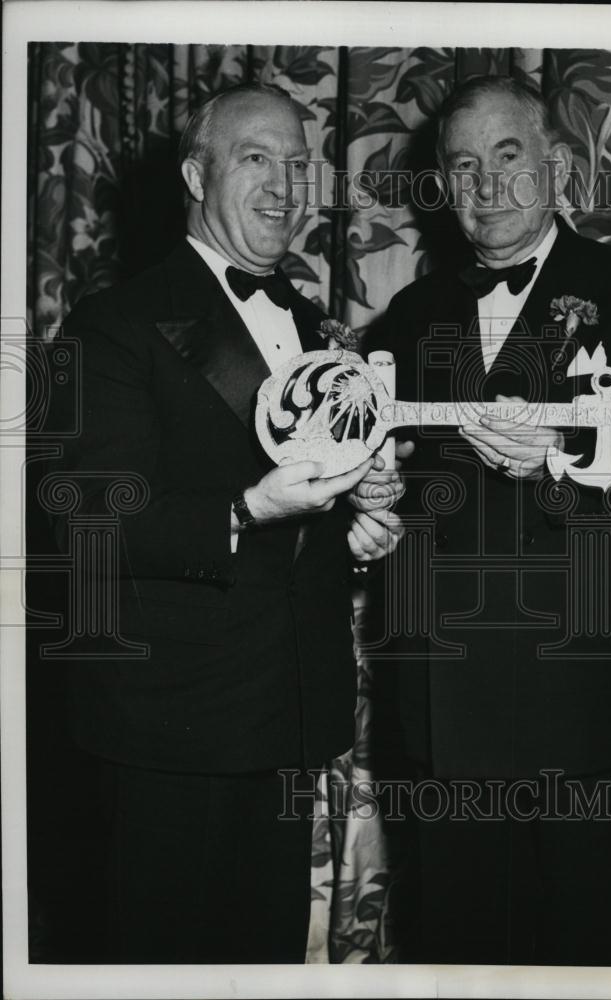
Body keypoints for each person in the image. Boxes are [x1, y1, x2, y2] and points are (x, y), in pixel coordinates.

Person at [370, 75, 611, 966]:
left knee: (597, 966)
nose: (485, 186)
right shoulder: (413, 316)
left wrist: (573, 462)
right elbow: (399, 492)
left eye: (507, 157)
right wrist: (369, 502)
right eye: (462, 166)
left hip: (595, 718)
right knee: (456, 966)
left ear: (558, 166)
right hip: (444, 722)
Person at [44, 82, 405, 964]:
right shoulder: (112, 326)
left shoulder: (322, 330)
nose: (285, 184)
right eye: (256, 158)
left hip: (284, 719)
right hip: (170, 729)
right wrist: (248, 508)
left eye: (298, 162)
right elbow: (89, 520)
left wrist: (364, 524)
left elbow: (308, 508)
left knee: (263, 965)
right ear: (195, 174)